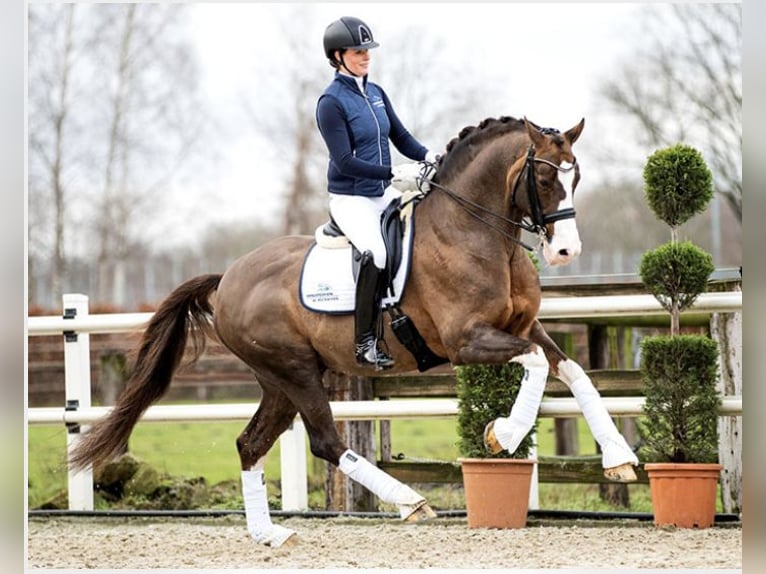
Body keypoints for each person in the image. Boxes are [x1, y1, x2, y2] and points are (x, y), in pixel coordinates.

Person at [316, 16, 438, 370]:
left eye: (367, 50)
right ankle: (365, 340)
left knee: (420, 235)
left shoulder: (375, 92)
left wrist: (431, 156)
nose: (366, 56)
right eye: (358, 52)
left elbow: (400, 137)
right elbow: (345, 161)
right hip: (351, 199)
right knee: (377, 254)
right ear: (338, 56)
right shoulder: (331, 103)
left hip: (382, 193)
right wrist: (393, 172)